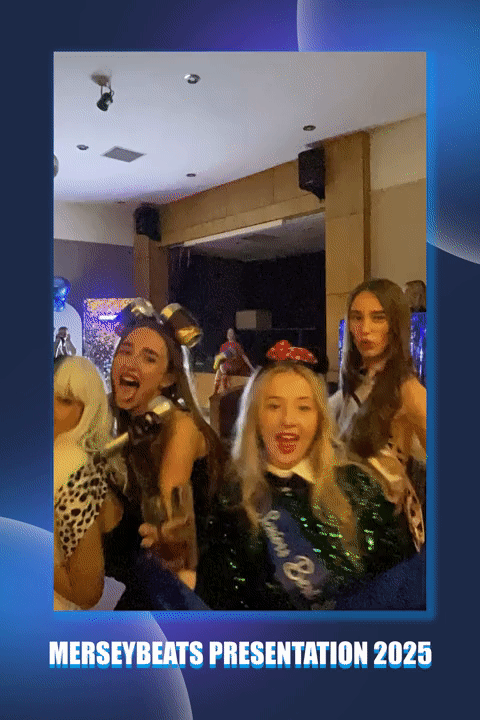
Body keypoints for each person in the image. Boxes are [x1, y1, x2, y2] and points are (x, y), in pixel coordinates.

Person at [195, 343, 417, 611]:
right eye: (273, 406)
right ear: (254, 416)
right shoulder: (229, 501)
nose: (288, 420)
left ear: (320, 418)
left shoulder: (359, 486)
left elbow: (401, 586)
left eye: (303, 407)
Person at [110, 299, 227, 592]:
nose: (131, 363)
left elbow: (168, 516)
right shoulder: (120, 426)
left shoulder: (182, 426)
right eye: (125, 351)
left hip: (204, 579)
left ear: (168, 378)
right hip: (150, 566)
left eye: (149, 358)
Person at [329, 278, 426, 552]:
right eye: (357, 317)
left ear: (394, 324)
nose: (365, 328)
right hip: (347, 529)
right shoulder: (354, 384)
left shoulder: (407, 390)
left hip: (386, 538)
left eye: (378, 317)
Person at [53, 356, 135, 610]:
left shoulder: (71, 466)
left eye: (64, 400)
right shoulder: (95, 459)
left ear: (89, 411)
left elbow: (87, 592)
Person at [213, 328, 254, 394]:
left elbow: (243, 357)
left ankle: (225, 390)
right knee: (219, 370)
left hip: (234, 366)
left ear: (234, 335)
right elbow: (220, 358)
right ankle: (216, 391)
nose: (230, 334)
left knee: (222, 368)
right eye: (228, 333)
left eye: (231, 333)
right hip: (226, 367)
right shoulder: (224, 345)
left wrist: (251, 367)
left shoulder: (237, 345)